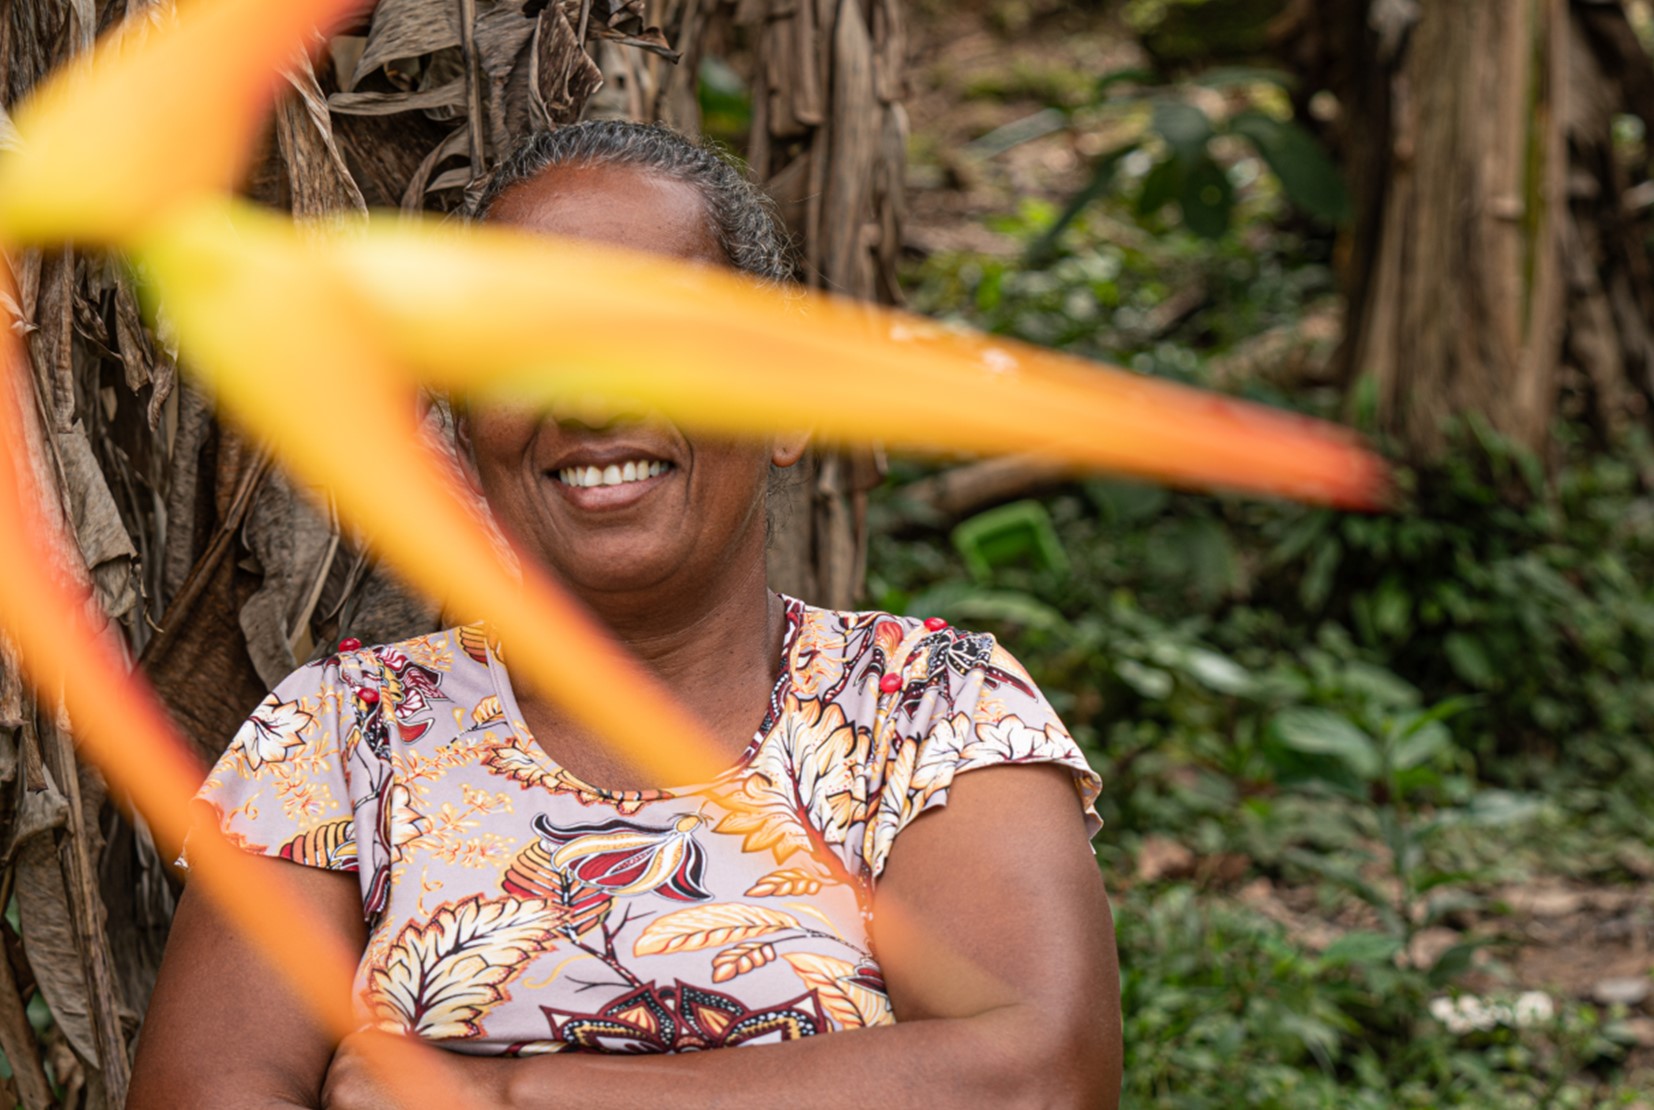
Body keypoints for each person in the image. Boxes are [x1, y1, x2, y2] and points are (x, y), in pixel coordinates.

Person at [128, 120, 1122, 1110]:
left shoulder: (926, 712)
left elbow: (1035, 1081)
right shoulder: (343, 739)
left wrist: (513, 1096)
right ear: (465, 429)